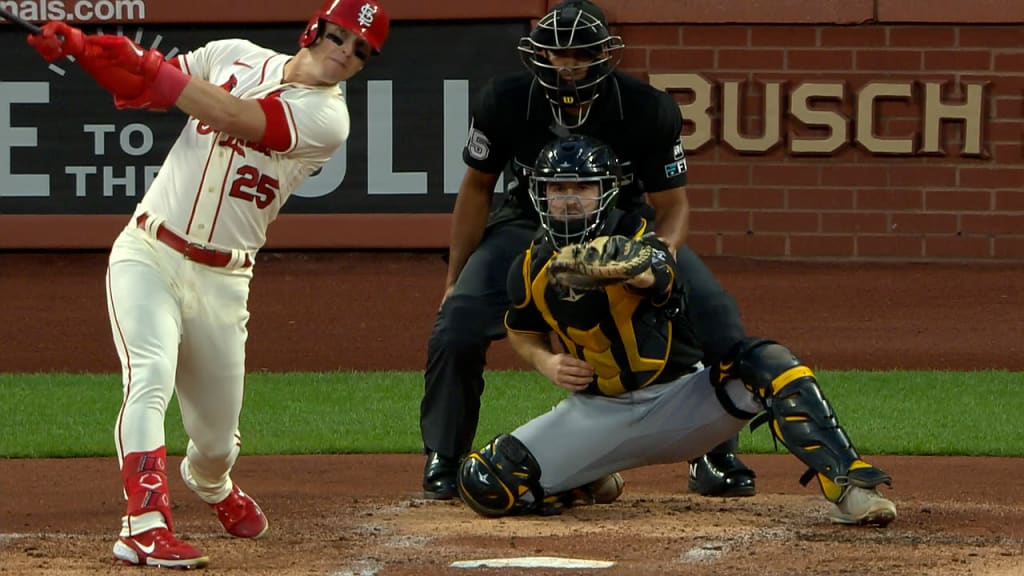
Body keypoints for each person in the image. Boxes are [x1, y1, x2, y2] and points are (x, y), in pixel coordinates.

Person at [26, 0, 389, 568]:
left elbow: (237, 117)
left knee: (216, 443)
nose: (344, 52)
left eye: (359, 50)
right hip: (149, 250)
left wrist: (148, 64)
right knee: (149, 375)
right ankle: (143, 524)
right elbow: (139, 88)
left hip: (224, 281)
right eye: (339, 36)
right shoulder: (235, 55)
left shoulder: (328, 120)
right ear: (313, 30)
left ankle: (212, 482)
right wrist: (81, 49)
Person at [456, 134, 898, 527]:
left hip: (684, 401)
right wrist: (546, 360)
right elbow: (523, 330)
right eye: (558, 189)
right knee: (484, 483)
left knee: (769, 361)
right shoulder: (529, 266)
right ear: (540, 195)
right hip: (597, 412)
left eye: (583, 188)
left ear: (606, 194)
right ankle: (588, 479)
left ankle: (849, 485)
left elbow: (659, 273)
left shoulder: (640, 236)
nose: (569, 200)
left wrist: (630, 267)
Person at [420, 0, 754, 501]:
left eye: (581, 53)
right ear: (540, 55)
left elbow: (673, 205)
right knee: (458, 321)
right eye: (558, 53)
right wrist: (453, 280)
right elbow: (476, 190)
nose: (568, 64)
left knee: (714, 314)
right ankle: (445, 456)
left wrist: (657, 259)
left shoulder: (647, 107)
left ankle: (715, 452)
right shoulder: (505, 100)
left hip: (621, 226)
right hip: (527, 224)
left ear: (605, 54)